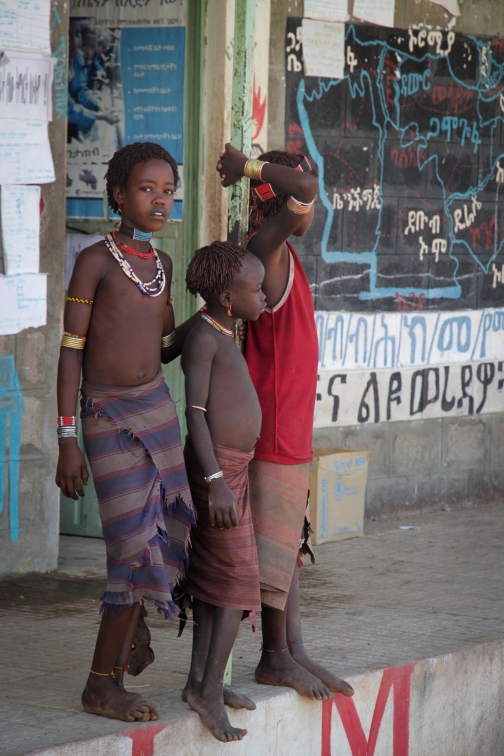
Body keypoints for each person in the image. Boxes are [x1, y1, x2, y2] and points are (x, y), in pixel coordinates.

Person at [55, 141, 198, 723]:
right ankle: (99, 685)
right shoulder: (93, 260)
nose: (160, 200)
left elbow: (162, 348)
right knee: (130, 550)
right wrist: (67, 439)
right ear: (119, 194)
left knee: (165, 539)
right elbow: (70, 356)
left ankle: (124, 649)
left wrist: (214, 317)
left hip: (158, 411)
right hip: (108, 418)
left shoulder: (161, 267)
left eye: (168, 191)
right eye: (147, 189)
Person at [217, 145, 355, 701]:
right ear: (275, 207)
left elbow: (303, 189)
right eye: (299, 197)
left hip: (290, 426)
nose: (313, 206)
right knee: (271, 549)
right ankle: (273, 656)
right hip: (272, 426)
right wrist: (247, 168)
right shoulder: (264, 251)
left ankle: (293, 649)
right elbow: (305, 189)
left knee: (286, 545)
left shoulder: (285, 256)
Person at [180, 241, 266, 742]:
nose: (264, 300)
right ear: (229, 298)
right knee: (236, 584)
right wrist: (214, 481)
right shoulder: (205, 339)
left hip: (231, 473)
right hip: (217, 476)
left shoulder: (218, 328)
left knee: (216, 584)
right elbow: (195, 413)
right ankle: (210, 692)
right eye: (255, 291)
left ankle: (200, 683)